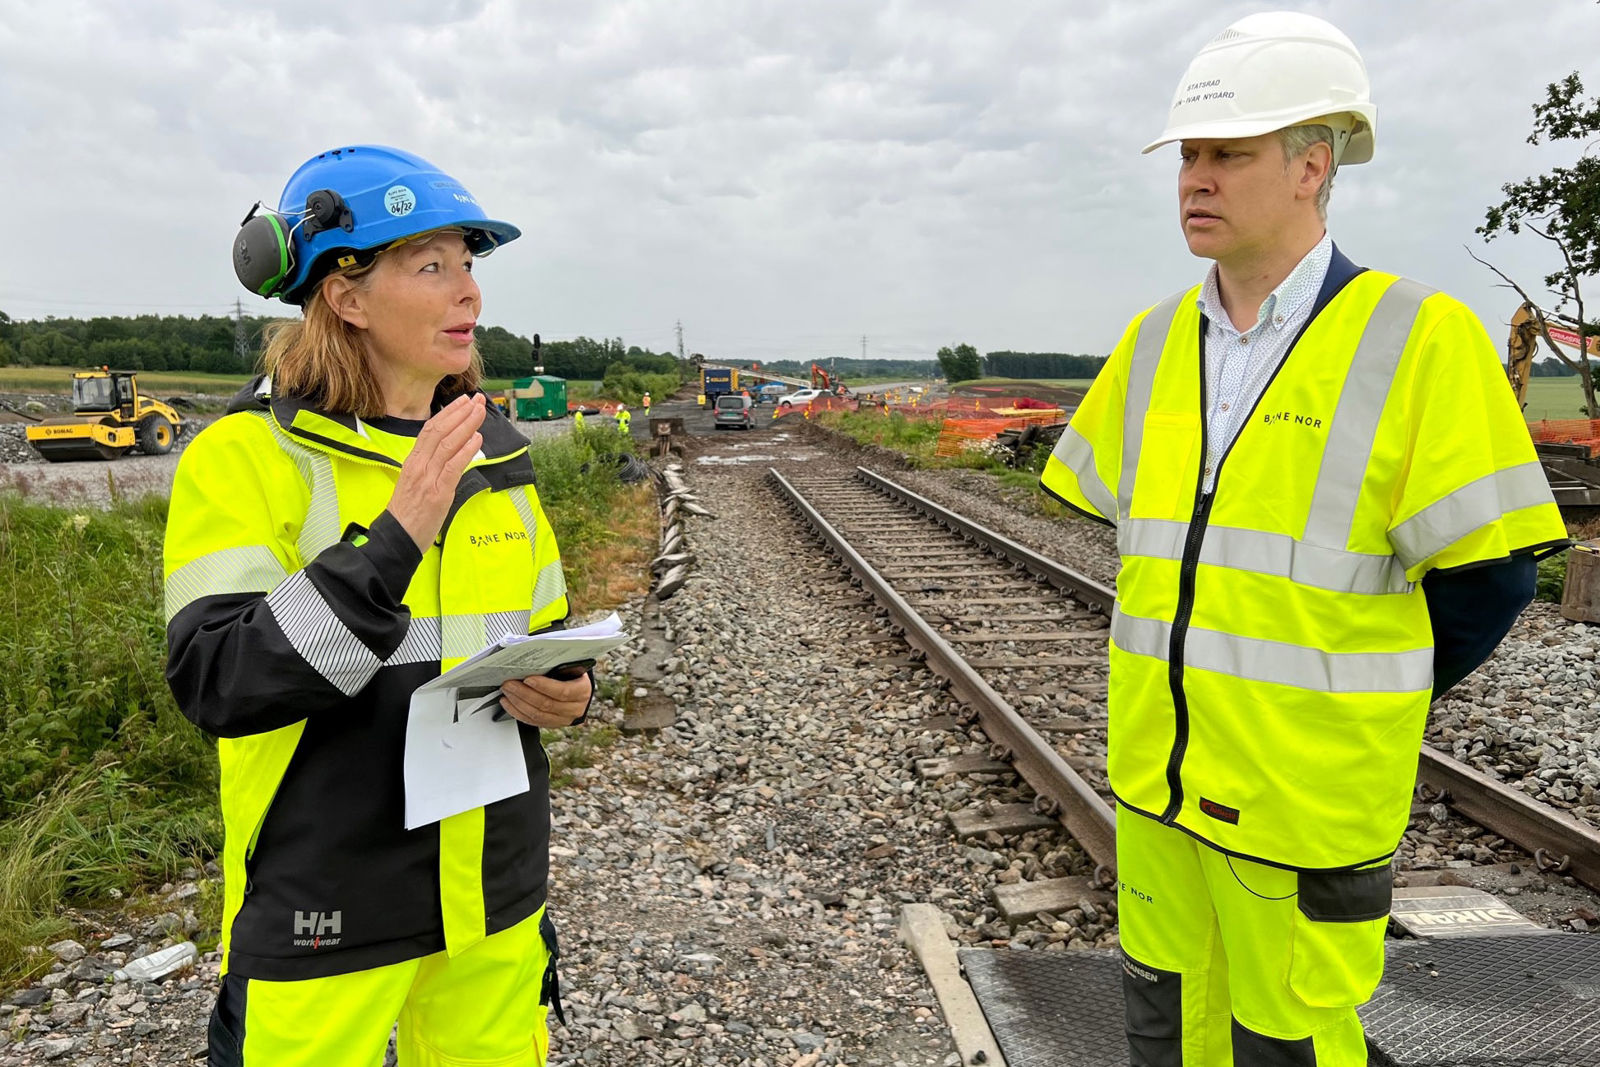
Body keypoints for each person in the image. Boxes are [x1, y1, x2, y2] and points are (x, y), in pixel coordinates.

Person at [1040, 14, 1568, 1065]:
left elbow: (1493, 578)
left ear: (1310, 168)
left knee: (1288, 1039)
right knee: (1167, 1025)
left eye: (1226, 152)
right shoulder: (1151, 343)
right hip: (1155, 788)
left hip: (1301, 803)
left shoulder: (1419, 338)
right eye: (1188, 154)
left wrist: (1350, 705)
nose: (1194, 176)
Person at [167, 144, 594, 1066]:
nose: (468, 293)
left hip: (491, 894)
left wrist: (570, 688)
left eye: (469, 264)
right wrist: (393, 540)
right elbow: (221, 680)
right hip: (327, 902)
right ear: (346, 296)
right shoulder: (244, 459)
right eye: (430, 265)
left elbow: (548, 637)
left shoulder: (497, 456)